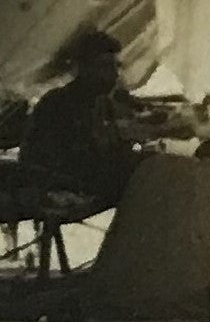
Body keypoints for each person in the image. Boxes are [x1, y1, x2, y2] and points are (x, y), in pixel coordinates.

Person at [19, 30, 139, 200]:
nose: (113, 74)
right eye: (104, 67)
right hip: (59, 182)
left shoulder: (101, 103)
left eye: (114, 67)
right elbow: (61, 158)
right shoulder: (59, 103)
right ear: (84, 68)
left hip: (82, 177)